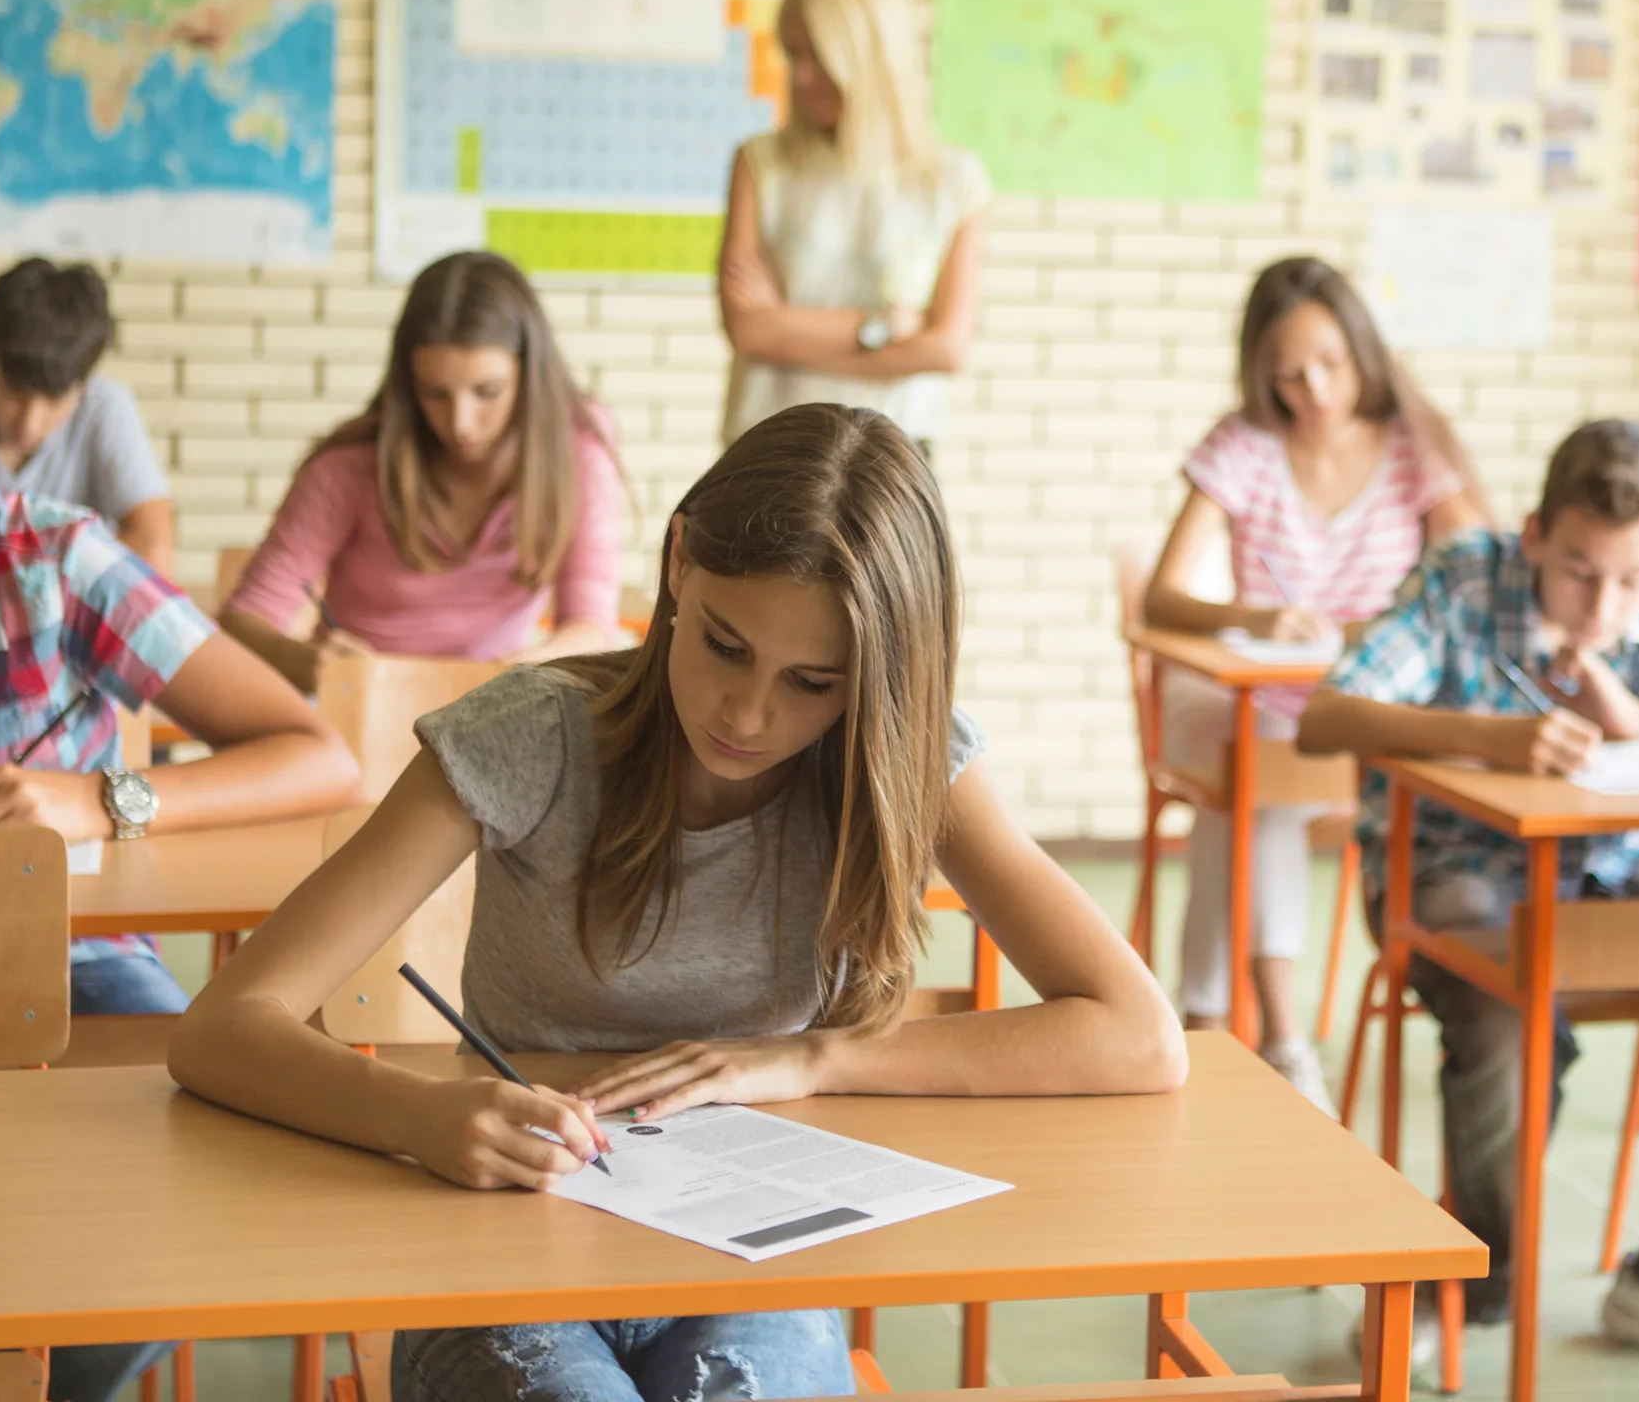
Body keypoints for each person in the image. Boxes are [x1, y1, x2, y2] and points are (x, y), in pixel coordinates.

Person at [170, 403, 1186, 1402]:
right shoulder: (530, 739)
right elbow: (222, 1026)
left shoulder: (904, 763)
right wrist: (424, 1114)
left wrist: (814, 1057)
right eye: (725, 645)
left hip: (754, 1264)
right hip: (507, 1249)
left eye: (813, 681)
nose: (748, 714)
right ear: (677, 562)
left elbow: (1139, 1035)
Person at [0, 317, 363, 1402]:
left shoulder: (63, 561)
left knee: (182, 1205)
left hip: (79, 960)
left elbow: (317, 754)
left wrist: (104, 799)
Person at [1299, 419, 1639, 1359]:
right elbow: (1322, 719)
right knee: (1504, 1009)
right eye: (1578, 570)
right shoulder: (1463, 578)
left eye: (1634, 579)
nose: (1603, 604)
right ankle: (1469, 1286)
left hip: (1609, 866)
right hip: (1450, 866)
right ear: (1533, 534)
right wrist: (1489, 737)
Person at [1141, 257, 1486, 1111]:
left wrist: (1390, 625)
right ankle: (1284, 1032)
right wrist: (1259, 620)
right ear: (1261, 373)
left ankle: (1204, 1017)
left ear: (1363, 350)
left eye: (1331, 363)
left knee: (1251, 791)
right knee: (1257, 774)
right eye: (1288, 374)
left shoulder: (1413, 445)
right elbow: (1162, 597)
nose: (1315, 390)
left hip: (1364, 711)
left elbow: (1477, 573)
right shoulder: (1245, 444)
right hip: (1264, 701)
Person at [222, 252, 623, 693]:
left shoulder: (579, 446)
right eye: (435, 393)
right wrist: (305, 661)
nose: (461, 423)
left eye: (487, 392)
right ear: (407, 382)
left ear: (530, 375)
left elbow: (591, 626)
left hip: (495, 706)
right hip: (364, 710)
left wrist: (527, 668)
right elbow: (244, 620)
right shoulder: (348, 467)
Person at [717, 0, 989, 454]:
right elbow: (749, 329)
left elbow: (948, 347)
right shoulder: (760, 163)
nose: (799, 75)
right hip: (769, 451)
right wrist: (884, 329)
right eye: (792, 53)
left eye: (817, 53)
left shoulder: (953, 181)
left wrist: (791, 335)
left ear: (867, 54)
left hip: (893, 459)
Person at [0, 257, 175, 574]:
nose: (30, 422)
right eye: (15, 394)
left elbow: (154, 547)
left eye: (55, 399)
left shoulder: (104, 408)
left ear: (83, 383)